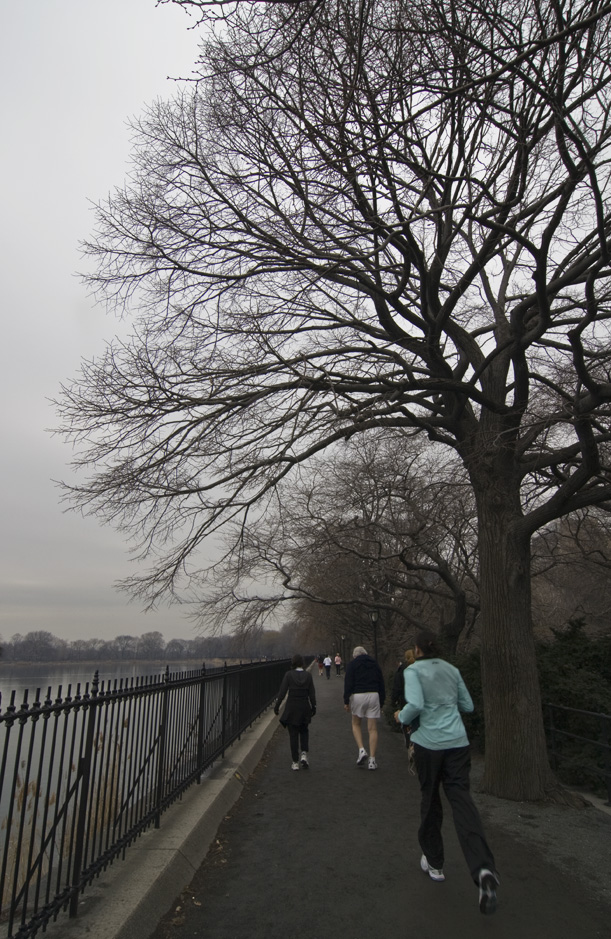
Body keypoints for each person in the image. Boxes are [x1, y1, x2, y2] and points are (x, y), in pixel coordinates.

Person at [395, 630, 499, 915]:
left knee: (430, 800)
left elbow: (414, 705)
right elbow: (468, 705)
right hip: (458, 744)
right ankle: (483, 870)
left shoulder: (414, 671)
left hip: (429, 745)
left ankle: (435, 862)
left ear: (417, 650)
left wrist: (400, 717)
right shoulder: (452, 670)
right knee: (462, 802)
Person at [343, 645, 385, 770]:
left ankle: (362, 750)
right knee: (372, 729)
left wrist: (346, 700)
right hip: (373, 694)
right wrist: (381, 701)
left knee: (356, 724)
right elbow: (381, 682)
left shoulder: (352, 664)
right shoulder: (374, 663)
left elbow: (348, 682)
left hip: (358, 695)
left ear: (355, 655)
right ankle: (372, 760)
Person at [274, 654, 316, 770]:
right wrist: (314, 706)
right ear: (302, 663)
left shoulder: (288, 675)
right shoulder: (308, 676)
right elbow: (312, 693)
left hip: (292, 707)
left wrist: (277, 706)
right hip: (304, 706)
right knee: (304, 731)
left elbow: (282, 693)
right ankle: (304, 753)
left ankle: (295, 762)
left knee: (293, 735)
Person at [391, 648, 416, 748]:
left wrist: (393, 701)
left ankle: (411, 747)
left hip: (406, 702)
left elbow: (397, 687)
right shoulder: (422, 668)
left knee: (407, 727)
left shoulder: (402, 670)